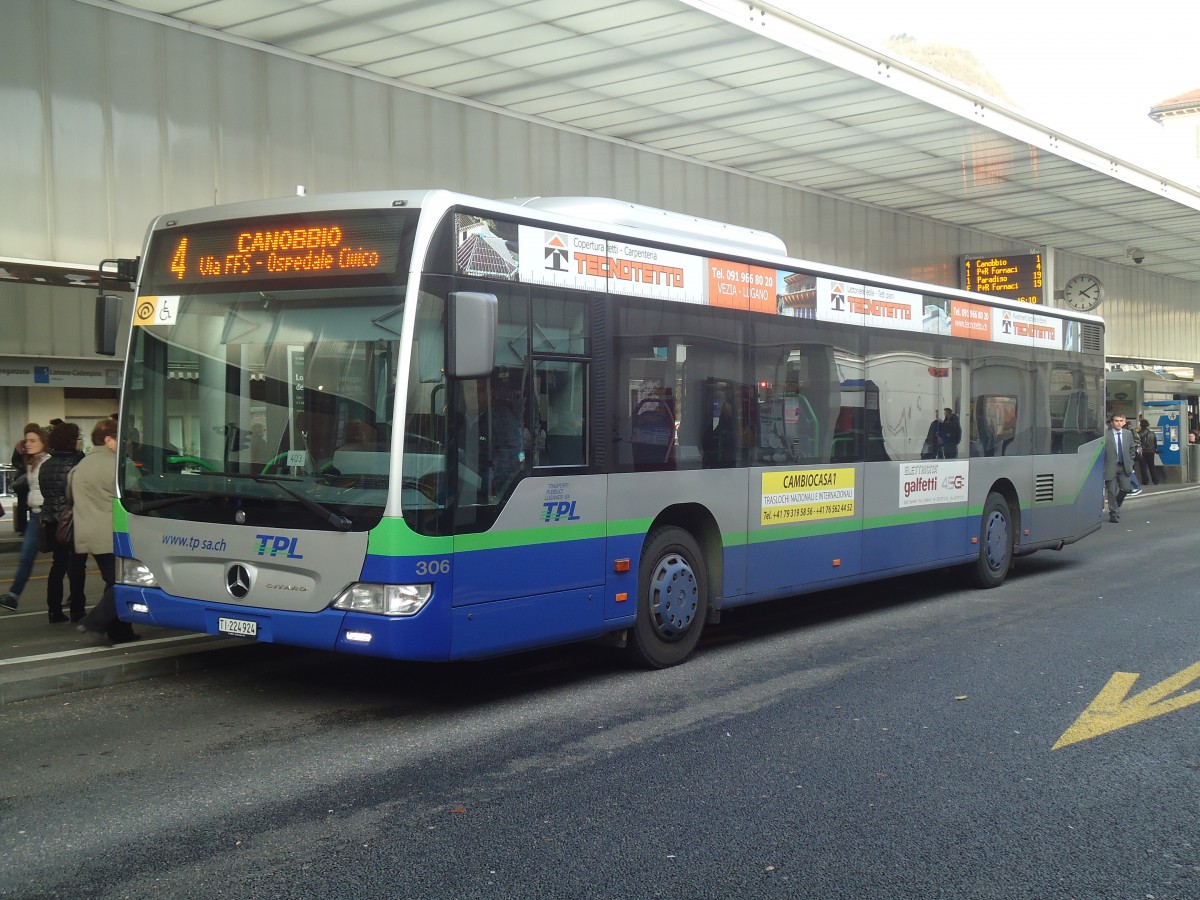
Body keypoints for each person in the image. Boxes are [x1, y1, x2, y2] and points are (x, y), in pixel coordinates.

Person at [73, 418, 139, 643]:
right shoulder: (117, 465)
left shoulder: (81, 465)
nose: (124, 444)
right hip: (114, 533)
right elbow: (138, 490)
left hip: (87, 534)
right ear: (109, 439)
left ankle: (121, 631)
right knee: (124, 582)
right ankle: (94, 622)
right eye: (120, 439)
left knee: (113, 580)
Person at [39, 421, 88, 623]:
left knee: (57, 566)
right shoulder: (79, 463)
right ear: (71, 441)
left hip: (51, 521)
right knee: (77, 567)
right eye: (77, 438)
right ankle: (77, 609)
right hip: (73, 522)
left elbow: (45, 493)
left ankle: (54, 610)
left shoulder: (46, 465)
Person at [0, 425, 49, 611]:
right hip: (35, 515)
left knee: (66, 560)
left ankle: (74, 597)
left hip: (47, 516)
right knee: (26, 557)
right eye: (26, 440)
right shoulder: (31, 462)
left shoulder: (47, 462)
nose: (28, 444)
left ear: (43, 442)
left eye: (33, 440)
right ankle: (13, 595)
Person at [1104, 414, 1137, 524]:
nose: (1118, 423)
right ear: (1112, 422)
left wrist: (1131, 463)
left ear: (1124, 422)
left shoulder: (1128, 434)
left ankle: (1115, 505)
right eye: (1116, 421)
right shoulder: (1106, 434)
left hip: (1124, 466)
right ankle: (1113, 513)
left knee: (1126, 488)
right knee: (1112, 492)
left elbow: (1132, 449)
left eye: (1120, 421)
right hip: (1110, 466)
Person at [1136, 417, 1161, 486]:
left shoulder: (1138, 434)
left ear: (1141, 425)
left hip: (1142, 452)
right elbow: (1155, 443)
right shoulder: (1152, 433)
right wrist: (1154, 450)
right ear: (1147, 425)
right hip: (1151, 452)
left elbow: (1137, 443)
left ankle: (1145, 481)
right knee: (1152, 466)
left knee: (1143, 467)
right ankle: (1155, 481)